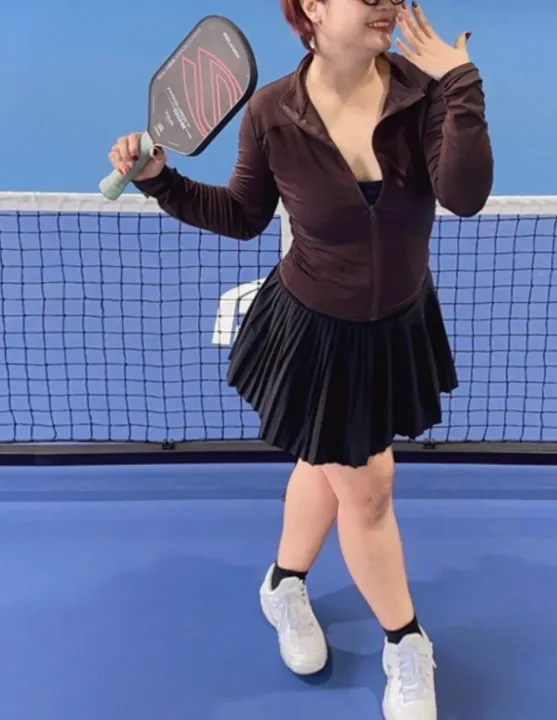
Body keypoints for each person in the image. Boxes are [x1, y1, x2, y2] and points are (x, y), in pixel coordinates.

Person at [108, 0, 493, 716]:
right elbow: (243, 215)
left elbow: (464, 197)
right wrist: (160, 179)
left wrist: (461, 86)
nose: (387, 4)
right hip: (316, 332)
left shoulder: (424, 94)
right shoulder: (272, 114)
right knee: (369, 490)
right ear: (312, 6)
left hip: (397, 325)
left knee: (326, 454)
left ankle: (283, 583)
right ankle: (405, 641)